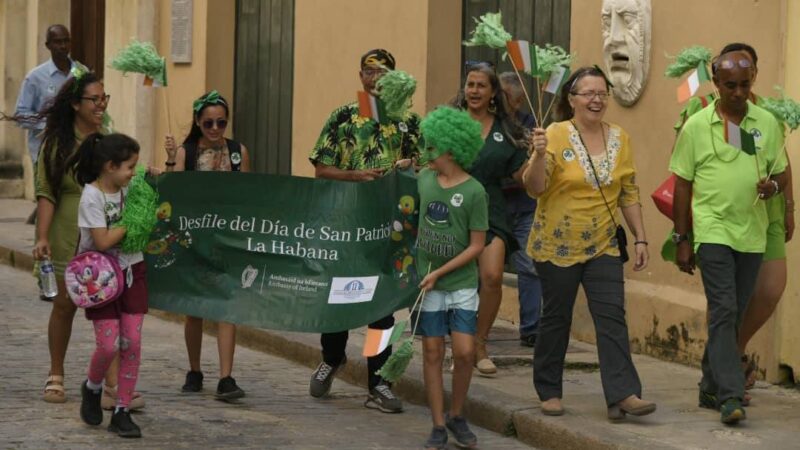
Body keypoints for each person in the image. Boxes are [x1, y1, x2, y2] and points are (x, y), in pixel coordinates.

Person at [524, 66, 656, 420]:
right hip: (557, 245)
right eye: (589, 93)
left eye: (602, 93)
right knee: (557, 317)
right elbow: (535, 188)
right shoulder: (554, 133)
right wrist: (538, 155)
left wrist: (641, 237)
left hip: (603, 244)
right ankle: (549, 390)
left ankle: (623, 394)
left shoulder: (621, 138)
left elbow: (628, 191)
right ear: (572, 99)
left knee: (612, 317)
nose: (596, 100)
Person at [670, 49, 787, 424]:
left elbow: (781, 173)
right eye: (730, 85)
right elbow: (682, 185)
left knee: (732, 312)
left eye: (744, 85)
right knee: (723, 308)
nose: (738, 92)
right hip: (713, 231)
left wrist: (773, 189)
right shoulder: (697, 126)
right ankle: (730, 394)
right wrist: (682, 238)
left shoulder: (766, 122)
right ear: (716, 84)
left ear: (753, 80)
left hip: (751, 232)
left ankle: (709, 384)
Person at [308, 49, 422, 412]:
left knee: (381, 308)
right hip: (346, 226)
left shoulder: (409, 122)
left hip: (389, 229)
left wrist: (409, 166)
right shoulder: (343, 117)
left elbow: (426, 166)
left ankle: (379, 381)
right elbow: (321, 170)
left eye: (384, 73)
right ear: (361, 76)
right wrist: (356, 176)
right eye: (370, 72)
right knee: (338, 298)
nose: (376, 78)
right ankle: (332, 358)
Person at [9, 69, 131, 407]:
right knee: (64, 305)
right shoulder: (57, 144)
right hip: (67, 231)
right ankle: (56, 373)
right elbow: (47, 193)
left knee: (108, 307)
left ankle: (112, 385)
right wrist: (42, 237)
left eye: (104, 98)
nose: (101, 104)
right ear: (76, 104)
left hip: (103, 233)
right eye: (95, 99)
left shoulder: (108, 142)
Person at [164, 90, 251, 400]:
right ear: (198, 122)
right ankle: (195, 370)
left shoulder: (238, 151)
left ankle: (226, 377)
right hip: (194, 239)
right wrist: (171, 159)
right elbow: (172, 192)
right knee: (194, 308)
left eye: (221, 123)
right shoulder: (187, 152)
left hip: (227, 238)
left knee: (227, 305)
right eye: (208, 123)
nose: (215, 129)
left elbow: (250, 193)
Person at [413, 107, 490, 449]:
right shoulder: (424, 180)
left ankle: (457, 414)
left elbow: (477, 246)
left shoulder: (475, 192)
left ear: (451, 149)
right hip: (427, 285)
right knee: (432, 352)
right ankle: (438, 424)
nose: (426, 152)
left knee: (463, 351)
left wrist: (440, 273)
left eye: (431, 147)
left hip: (460, 285)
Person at [451, 62, 530, 377]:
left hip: (490, 209)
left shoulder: (505, 129)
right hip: (453, 208)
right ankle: (457, 342)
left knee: (493, 277)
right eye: (470, 84)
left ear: (493, 91)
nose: (474, 91)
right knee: (456, 282)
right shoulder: (450, 122)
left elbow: (522, 176)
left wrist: (540, 155)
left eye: (481, 85)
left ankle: (480, 344)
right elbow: (430, 161)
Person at [73, 133, 147, 438]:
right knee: (108, 345)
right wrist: (133, 221)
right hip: (100, 278)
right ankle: (92, 387)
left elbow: (153, 187)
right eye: (129, 167)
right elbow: (102, 241)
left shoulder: (131, 189)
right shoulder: (91, 196)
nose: (133, 173)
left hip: (133, 271)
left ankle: (122, 410)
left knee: (132, 342)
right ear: (110, 166)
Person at [498, 72, 542, 347]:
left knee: (529, 266)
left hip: (525, 205)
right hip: (495, 205)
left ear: (516, 101)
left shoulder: (529, 126)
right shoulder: (490, 123)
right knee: (486, 270)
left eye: (504, 95)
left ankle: (532, 328)